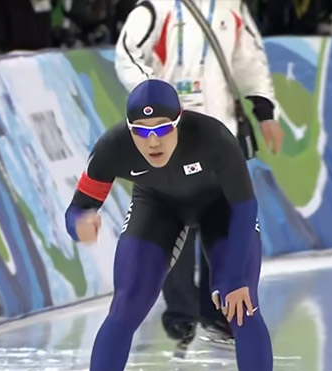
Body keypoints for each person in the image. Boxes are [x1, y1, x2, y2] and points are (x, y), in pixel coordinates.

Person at [64, 78, 280, 371]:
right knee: (126, 303)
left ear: (178, 123)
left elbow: (245, 208)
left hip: (222, 209)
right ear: (129, 130)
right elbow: (78, 208)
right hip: (157, 207)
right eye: (142, 132)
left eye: (163, 129)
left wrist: (230, 278)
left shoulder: (214, 138)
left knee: (241, 303)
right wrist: (80, 224)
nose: (153, 141)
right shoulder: (112, 148)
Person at [114, 0, 284, 351]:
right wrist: (152, 94)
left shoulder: (230, 6)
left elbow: (247, 56)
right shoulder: (154, 7)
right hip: (168, 133)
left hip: (220, 133)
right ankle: (180, 314)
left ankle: (217, 312)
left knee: (219, 220)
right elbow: (127, 51)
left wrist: (263, 107)